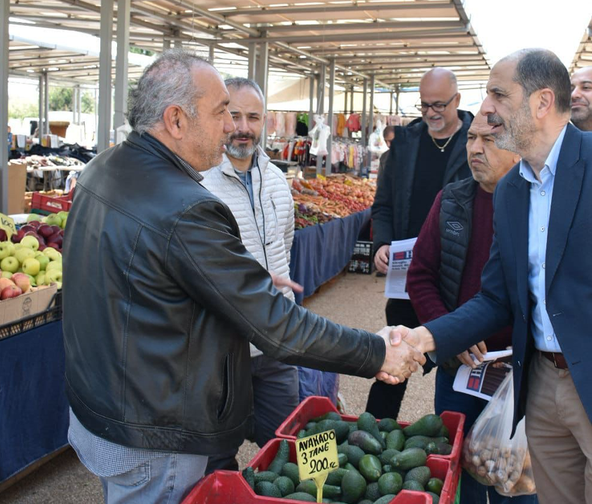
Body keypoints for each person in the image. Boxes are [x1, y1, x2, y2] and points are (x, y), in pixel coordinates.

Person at [62, 50, 424, 504]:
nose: (233, 127)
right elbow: (272, 320)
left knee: (304, 441)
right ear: (176, 119)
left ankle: (317, 489)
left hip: (128, 401)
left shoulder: (104, 168)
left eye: (248, 116)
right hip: (163, 422)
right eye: (221, 113)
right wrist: (376, 352)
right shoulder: (188, 203)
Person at [393, 48, 592, 504]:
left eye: (498, 94)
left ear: (541, 102)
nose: (486, 108)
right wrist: (424, 339)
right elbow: (495, 298)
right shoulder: (512, 189)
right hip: (540, 388)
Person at [406, 114, 532, 504]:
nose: (475, 149)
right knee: (462, 473)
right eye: (471, 138)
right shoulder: (452, 201)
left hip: (522, 376)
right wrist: (450, 333)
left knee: (521, 481)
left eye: (489, 141)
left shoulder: (540, 206)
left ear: (519, 149)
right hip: (461, 371)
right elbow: (420, 276)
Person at [199, 78, 300, 473]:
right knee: (215, 459)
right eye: (235, 115)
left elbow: (285, 248)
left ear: (264, 123)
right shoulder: (199, 182)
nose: (243, 127)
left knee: (288, 449)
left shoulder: (276, 181)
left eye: (253, 117)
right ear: (221, 118)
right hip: (220, 351)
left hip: (275, 343)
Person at [368, 67, 473, 419]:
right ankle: (375, 433)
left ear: (457, 100)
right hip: (407, 274)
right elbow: (382, 204)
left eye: (439, 105)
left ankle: (456, 441)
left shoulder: (478, 140)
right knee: (393, 358)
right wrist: (382, 242)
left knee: (458, 359)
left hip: (457, 274)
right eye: (424, 104)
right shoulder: (405, 144)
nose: (430, 112)